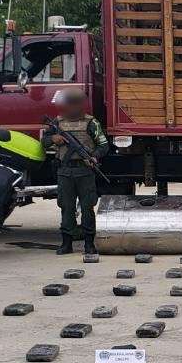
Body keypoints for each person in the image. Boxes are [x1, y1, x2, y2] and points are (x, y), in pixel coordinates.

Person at [42, 88, 109, 256]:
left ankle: (89, 243)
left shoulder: (91, 123)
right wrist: (53, 139)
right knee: (66, 207)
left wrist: (94, 157)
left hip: (85, 171)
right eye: (70, 104)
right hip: (65, 171)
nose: (72, 107)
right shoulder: (57, 123)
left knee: (87, 208)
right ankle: (66, 243)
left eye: (75, 104)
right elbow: (43, 142)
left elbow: (104, 145)